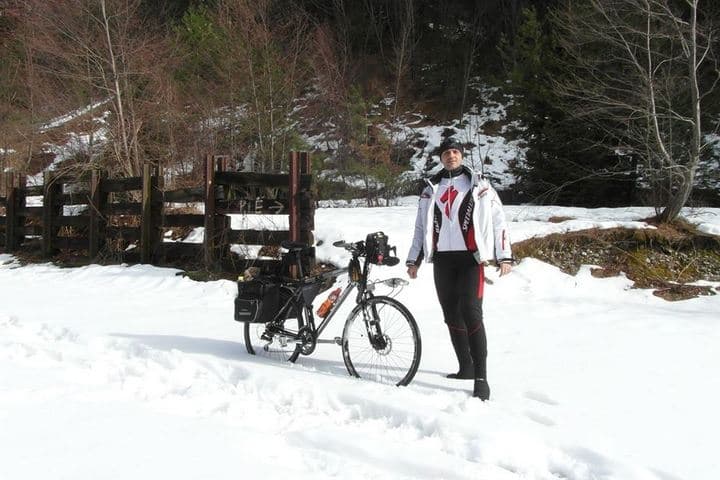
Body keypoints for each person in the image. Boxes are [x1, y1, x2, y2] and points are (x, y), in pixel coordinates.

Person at [406, 137, 513, 401]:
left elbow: (499, 222)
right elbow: (421, 226)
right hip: (443, 260)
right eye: (446, 153)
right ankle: (465, 368)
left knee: (471, 312)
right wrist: (414, 259)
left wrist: (504, 256)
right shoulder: (430, 189)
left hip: (471, 259)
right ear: (440, 158)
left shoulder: (480, 186)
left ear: (461, 156)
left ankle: (481, 378)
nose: (451, 156)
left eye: (455, 152)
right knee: (451, 315)